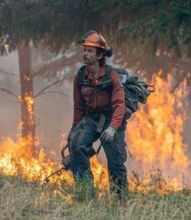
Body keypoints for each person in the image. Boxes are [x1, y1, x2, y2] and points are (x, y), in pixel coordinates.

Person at [67, 30, 128, 196]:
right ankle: (86, 192)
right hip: (91, 118)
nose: (85, 54)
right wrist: (74, 131)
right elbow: (78, 107)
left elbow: (119, 105)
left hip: (111, 119)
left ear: (100, 55)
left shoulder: (112, 76)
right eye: (85, 50)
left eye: (90, 51)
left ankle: (119, 200)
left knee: (115, 161)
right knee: (76, 145)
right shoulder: (80, 77)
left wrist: (113, 127)